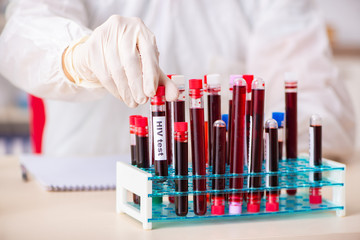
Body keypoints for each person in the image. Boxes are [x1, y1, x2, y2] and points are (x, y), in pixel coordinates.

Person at [0, 0, 355, 160]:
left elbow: (318, 104)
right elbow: (19, 37)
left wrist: (254, 153)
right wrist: (76, 56)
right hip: (80, 200)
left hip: (218, 209)